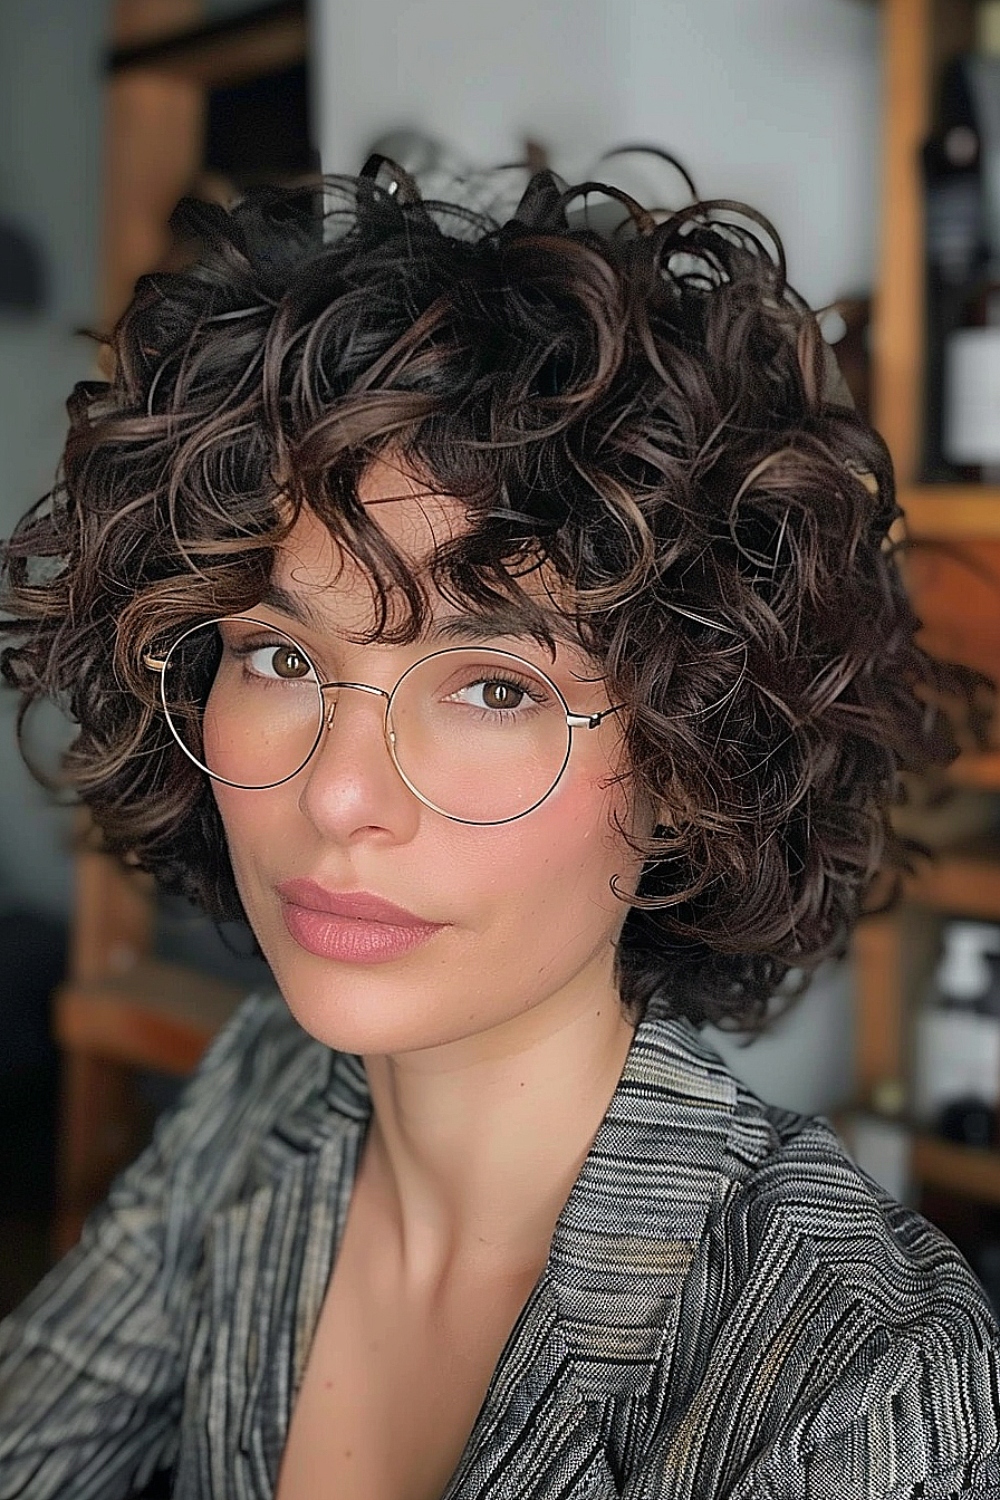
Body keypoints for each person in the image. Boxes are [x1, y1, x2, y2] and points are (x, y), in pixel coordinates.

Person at [0, 162, 998, 1500]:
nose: (340, 796)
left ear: (692, 761)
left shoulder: (863, 1378)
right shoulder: (264, 1105)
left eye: (494, 687)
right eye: (283, 658)